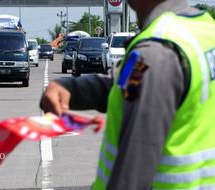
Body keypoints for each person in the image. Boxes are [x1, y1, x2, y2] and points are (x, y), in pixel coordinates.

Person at [40, 0, 215, 189]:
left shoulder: (155, 52)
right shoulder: (203, 28)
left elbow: (131, 176)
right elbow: (128, 83)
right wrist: (72, 89)